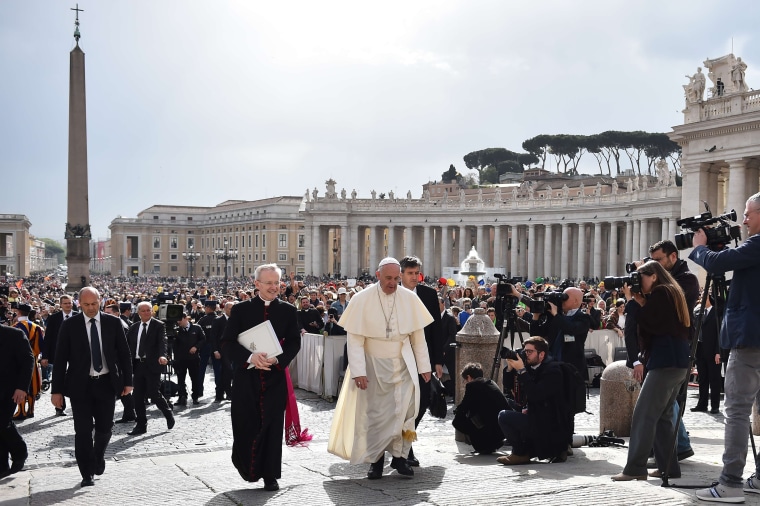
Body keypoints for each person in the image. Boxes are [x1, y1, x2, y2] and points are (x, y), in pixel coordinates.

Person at [328, 257, 432, 480]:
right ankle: (375, 462)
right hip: (373, 364)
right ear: (377, 275)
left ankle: (401, 458)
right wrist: (359, 371)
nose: (393, 283)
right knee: (375, 416)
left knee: (404, 413)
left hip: (403, 363)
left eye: (396, 278)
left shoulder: (409, 298)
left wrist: (425, 367)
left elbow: (418, 337)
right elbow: (355, 339)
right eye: (388, 278)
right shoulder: (361, 299)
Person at [690, 192, 760, 502]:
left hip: (749, 340)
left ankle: (730, 483)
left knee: (737, 411)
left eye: (748, 214)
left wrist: (700, 247)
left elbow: (718, 263)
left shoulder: (757, 245)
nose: (743, 220)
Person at [221, 264, 301, 491]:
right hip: (246, 379)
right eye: (269, 283)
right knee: (246, 423)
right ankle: (248, 467)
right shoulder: (240, 310)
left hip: (274, 378)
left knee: (272, 426)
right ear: (256, 284)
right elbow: (226, 343)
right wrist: (249, 357)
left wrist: (278, 360)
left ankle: (270, 474)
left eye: (277, 283)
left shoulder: (287, 310)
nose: (275, 287)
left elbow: (295, 342)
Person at [611, 260, 691, 481]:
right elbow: (660, 320)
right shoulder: (671, 291)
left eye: (641, 278)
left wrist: (631, 301)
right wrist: (639, 299)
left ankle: (635, 468)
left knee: (644, 415)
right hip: (676, 361)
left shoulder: (663, 293)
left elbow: (649, 322)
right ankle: (669, 467)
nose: (638, 283)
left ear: (653, 276)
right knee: (663, 416)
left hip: (666, 362)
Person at [51, 287, 134, 487]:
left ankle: (98, 455)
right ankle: (86, 473)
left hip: (106, 383)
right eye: (86, 304)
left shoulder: (113, 322)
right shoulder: (70, 325)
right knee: (83, 431)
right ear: (79, 303)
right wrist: (56, 390)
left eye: (94, 304)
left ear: (100, 301)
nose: (90, 308)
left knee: (105, 428)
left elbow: (124, 354)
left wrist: (128, 382)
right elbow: (60, 358)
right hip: (80, 386)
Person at [399, 255, 443, 467]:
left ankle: (405, 441)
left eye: (417, 273)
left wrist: (437, 361)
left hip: (422, 358)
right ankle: (406, 450)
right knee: (401, 404)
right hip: (397, 358)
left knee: (422, 402)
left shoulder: (428, 294)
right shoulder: (392, 293)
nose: (415, 277)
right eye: (410, 273)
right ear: (401, 274)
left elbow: (436, 328)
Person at [496, 336, 569, 464]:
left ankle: (520, 453)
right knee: (503, 403)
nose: (526, 354)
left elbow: (536, 394)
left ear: (541, 354)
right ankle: (522, 450)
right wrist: (510, 368)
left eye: (530, 352)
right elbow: (508, 386)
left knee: (504, 416)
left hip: (547, 423)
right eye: (525, 351)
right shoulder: (530, 366)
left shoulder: (552, 371)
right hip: (534, 414)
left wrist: (522, 371)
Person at [125, 301, 175, 435]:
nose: (147, 312)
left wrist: (163, 356)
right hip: (138, 364)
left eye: (149, 310)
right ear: (138, 313)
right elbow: (128, 346)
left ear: (152, 311)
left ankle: (167, 413)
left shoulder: (158, 325)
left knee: (153, 393)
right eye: (144, 310)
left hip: (152, 364)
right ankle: (141, 424)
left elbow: (162, 342)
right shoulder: (134, 327)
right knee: (137, 396)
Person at [0, 325, 34, 478]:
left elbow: (28, 361)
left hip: (8, 391)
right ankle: (2, 466)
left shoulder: (14, 334)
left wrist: (21, 388)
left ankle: (20, 451)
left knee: (2, 422)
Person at [452, 362, 508, 454]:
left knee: (458, 421)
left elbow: (464, 406)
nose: (466, 382)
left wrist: (457, 413)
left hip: (491, 428)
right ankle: (490, 444)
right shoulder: (490, 382)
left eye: (465, 379)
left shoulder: (472, 385)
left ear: (469, 377)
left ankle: (481, 444)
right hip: (502, 429)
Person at [41, 294, 77, 416]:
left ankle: (76, 404)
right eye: (65, 303)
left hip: (76, 354)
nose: (68, 305)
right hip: (58, 353)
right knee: (58, 378)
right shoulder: (54, 318)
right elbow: (48, 338)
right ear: (60, 304)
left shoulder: (79, 316)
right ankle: (59, 407)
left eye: (70, 302)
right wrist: (45, 356)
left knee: (75, 378)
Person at [691, 295, 721, 414]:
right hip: (700, 349)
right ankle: (702, 404)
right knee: (703, 379)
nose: (700, 299)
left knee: (715, 379)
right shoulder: (698, 312)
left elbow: (720, 333)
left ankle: (715, 405)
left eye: (703, 297)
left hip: (713, 351)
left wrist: (718, 351)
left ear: (709, 298)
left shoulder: (717, 312)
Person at [13, 303, 43, 420]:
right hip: (33, 360)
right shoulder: (37, 327)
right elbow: (41, 345)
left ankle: (21, 411)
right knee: (33, 385)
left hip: (19, 361)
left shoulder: (15, 327)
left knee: (21, 384)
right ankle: (31, 410)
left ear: (18, 312)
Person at [172, 312, 205, 406]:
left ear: (185, 318)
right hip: (180, 359)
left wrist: (196, 347)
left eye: (180, 320)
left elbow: (203, 339)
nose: (178, 322)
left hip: (193, 358)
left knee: (194, 378)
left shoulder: (196, 328)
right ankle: (182, 396)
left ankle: (195, 397)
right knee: (180, 379)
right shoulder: (176, 330)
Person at [210, 301, 235, 402]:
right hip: (221, 351)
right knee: (224, 372)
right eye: (230, 309)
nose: (232, 311)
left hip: (233, 351)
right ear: (225, 309)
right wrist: (215, 350)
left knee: (230, 373)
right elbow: (213, 337)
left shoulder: (236, 320)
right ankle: (224, 394)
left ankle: (229, 393)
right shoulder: (218, 320)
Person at [196, 300, 219, 400]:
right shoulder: (219, 319)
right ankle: (219, 392)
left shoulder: (203, 320)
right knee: (218, 370)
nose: (204, 309)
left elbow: (197, 333)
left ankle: (199, 391)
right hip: (217, 348)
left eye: (205, 307)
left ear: (208, 308)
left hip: (205, 347)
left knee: (201, 370)